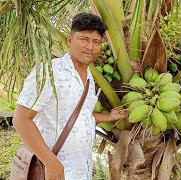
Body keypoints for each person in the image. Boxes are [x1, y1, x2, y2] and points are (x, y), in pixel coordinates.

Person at [12, 13, 127, 180]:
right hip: (51, 171)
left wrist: (109, 116)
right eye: (84, 39)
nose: (90, 47)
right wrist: (51, 163)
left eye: (96, 42)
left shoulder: (89, 77)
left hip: (81, 170)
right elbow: (21, 119)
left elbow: (82, 116)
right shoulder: (49, 72)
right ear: (70, 40)